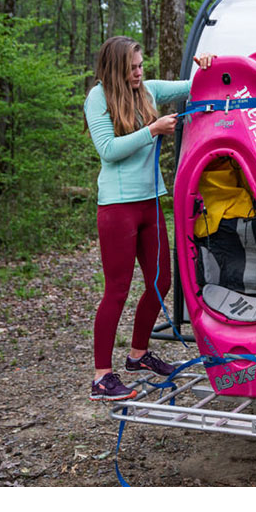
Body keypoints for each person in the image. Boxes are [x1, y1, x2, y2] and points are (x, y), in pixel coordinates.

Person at [83, 35, 215, 401]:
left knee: (161, 281)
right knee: (117, 290)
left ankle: (138, 355)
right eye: (133, 68)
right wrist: (152, 130)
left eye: (141, 66)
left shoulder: (149, 91)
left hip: (150, 202)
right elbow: (108, 151)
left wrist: (206, 65)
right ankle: (101, 377)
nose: (140, 73)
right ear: (115, 70)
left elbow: (193, 85)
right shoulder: (98, 98)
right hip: (117, 206)